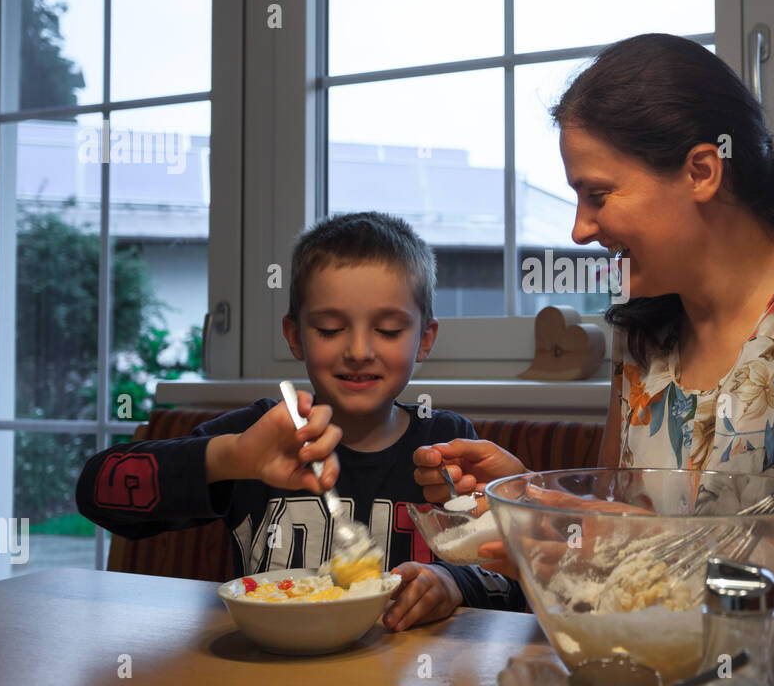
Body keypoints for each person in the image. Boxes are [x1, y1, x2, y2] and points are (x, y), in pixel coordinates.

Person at [415, 33, 774, 644]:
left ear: (701, 171)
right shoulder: (644, 332)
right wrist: (535, 505)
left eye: (598, 194)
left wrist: (649, 542)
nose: (580, 228)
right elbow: (630, 539)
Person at [77, 211, 524, 631]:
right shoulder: (259, 436)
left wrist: (451, 584)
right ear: (295, 336)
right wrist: (229, 458)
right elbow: (97, 492)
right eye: (330, 329)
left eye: (388, 330)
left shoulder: (447, 444)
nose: (359, 350)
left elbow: (512, 582)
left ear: (424, 339)